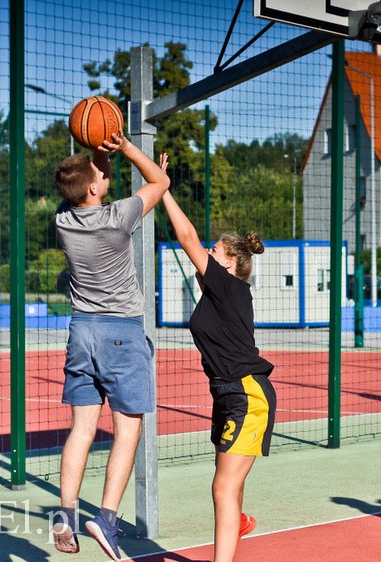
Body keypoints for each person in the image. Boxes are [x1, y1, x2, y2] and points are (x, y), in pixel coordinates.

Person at [50, 132, 169, 561]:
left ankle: (65, 511)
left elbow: (83, 182)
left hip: (81, 332)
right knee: (128, 430)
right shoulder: (118, 217)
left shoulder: (64, 220)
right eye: (102, 174)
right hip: (121, 332)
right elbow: (160, 183)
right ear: (96, 189)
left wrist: (98, 153)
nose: (106, 175)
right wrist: (130, 150)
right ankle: (106, 518)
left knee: (82, 429)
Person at [161, 187, 276, 562]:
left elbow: (186, 237)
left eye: (214, 251)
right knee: (228, 482)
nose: (206, 253)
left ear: (228, 265)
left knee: (222, 488)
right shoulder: (215, 293)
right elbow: (196, 253)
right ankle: (237, 521)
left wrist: (161, 187)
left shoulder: (230, 287)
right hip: (226, 393)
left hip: (247, 395)